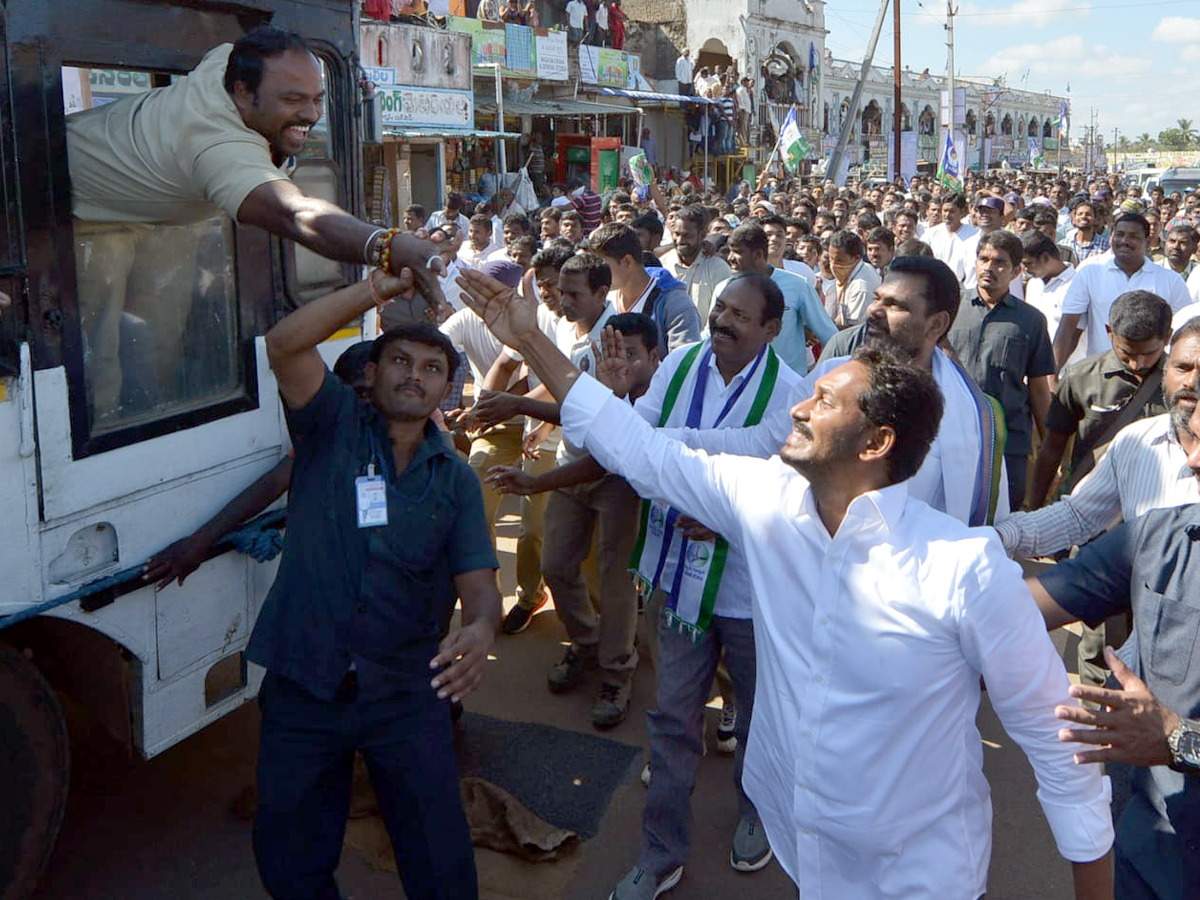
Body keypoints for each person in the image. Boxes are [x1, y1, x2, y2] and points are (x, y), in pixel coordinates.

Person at [455, 265, 1115, 900]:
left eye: (824, 401)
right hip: (805, 852)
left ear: (876, 442)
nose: (799, 409)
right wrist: (531, 340)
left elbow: (1065, 755)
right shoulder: (767, 502)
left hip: (921, 873)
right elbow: (642, 450)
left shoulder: (963, 568)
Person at [251, 271, 502, 900]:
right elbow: (283, 343)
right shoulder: (329, 426)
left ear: (449, 385)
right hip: (304, 680)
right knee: (289, 857)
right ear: (375, 371)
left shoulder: (456, 481)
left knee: (441, 865)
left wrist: (481, 626)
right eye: (400, 360)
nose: (414, 375)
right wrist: (378, 288)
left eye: (432, 367)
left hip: (406, 691)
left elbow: (480, 586)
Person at [66, 27, 443, 422]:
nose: (312, 114)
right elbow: (296, 214)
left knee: (163, 342)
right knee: (99, 364)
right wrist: (387, 246)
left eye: (317, 99)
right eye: (292, 100)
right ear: (243, 94)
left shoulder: (228, 60)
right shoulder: (218, 147)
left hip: (155, 210)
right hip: (76, 212)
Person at [605, 274, 801, 899]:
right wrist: (673, 466)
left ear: (772, 329)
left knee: (759, 719)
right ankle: (660, 855)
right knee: (672, 718)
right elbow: (634, 455)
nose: (723, 321)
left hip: (751, 589)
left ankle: (757, 811)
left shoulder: (793, 394)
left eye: (741, 316)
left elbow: (774, 468)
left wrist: (683, 470)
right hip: (679, 579)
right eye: (720, 308)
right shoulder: (680, 364)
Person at [1028, 399, 1200, 899]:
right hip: (1151, 854)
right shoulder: (1160, 535)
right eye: (1193, 437)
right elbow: (1016, 613)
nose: (1191, 462)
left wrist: (1178, 739)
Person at [1027, 291, 1173, 511]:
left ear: (1168, 337)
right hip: (1088, 503)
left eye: (1149, 353)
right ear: (1109, 333)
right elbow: (1052, 446)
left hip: (1155, 504)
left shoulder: (1183, 384)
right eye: (1127, 353)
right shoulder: (1081, 377)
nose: (1136, 364)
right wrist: (1035, 510)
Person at [946, 229, 1055, 510]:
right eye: (984, 259)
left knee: (1004, 517)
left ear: (1017, 270)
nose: (989, 268)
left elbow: (1039, 386)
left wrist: (1048, 444)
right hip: (952, 434)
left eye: (1000, 263)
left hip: (1008, 440)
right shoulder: (950, 308)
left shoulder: (1031, 321)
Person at [1054, 213, 1192, 369]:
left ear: (1147, 241)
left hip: (1154, 377)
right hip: (1103, 375)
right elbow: (1069, 329)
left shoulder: (1171, 280)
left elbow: (1185, 332)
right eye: (1120, 235)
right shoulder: (1089, 273)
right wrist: (1052, 374)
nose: (1125, 241)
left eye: (1133, 236)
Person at [718, 222, 835, 375]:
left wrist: (820, 376)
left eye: (737, 252)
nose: (730, 258)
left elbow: (830, 336)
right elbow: (710, 337)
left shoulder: (797, 285)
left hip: (787, 387)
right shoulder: (724, 289)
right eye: (730, 251)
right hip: (739, 381)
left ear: (758, 255)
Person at [588, 222, 702, 357]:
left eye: (604, 267)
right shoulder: (604, 299)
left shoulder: (675, 304)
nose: (596, 275)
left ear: (627, 261)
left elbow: (683, 366)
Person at [1022, 230, 1082, 371]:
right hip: (1036, 372)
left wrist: (1053, 372)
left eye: (1028, 263)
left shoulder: (1076, 285)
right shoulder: (1033, 284)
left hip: (1069, 373)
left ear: (1045, 257)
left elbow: (1074, 333)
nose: (1024, 270)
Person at [659, 205, 732, 319]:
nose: (680, 241)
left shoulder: (718, 269)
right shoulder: (663, 266)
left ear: (702, 235)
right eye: (676, 234)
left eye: (686, 235)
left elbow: (721, 316)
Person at [826, 229, 881, 328]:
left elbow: (854, 330)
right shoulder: (849, 273)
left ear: (856, 258)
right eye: (831, 258)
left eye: (839, 260)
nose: (833, 264)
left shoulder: (861, 288)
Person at [925, 192, 980, 287]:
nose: (947, 215)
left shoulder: (974, 236)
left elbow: (972, 270)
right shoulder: (931, 234)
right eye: (945, 210)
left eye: (952, 211)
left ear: (962, 212)